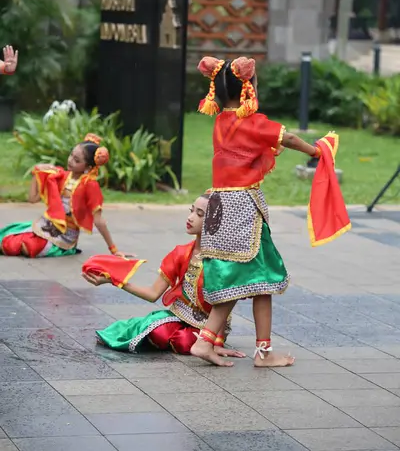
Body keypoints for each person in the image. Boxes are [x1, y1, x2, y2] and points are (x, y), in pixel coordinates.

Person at [191, 56, 323, 368]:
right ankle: (224, 344)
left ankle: (225, 343)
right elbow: (286, 137)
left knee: (250, 278)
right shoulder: (252, 123)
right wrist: (316, 151)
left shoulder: (221, 121)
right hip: (242, 211)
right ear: (249, 88)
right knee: (255, 276)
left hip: (218, 207)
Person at [82, 194, 244, 358]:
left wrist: (217, 342)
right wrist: (114, 281)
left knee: (184, 341)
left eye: (199, 214)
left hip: (211, 326)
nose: (190, 217)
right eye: (191, 211)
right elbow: (153, 294)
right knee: (158, 332)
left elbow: (225, 303)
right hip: (180, 315)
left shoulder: (223, 260)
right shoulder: (180, 253)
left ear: (216, 222)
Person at [0, 133, 124, 258]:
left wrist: (113, 250)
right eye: (71, 155)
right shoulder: (60, 176)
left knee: (27, 247)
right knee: (8, 236)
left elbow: (99, 221)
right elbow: (32, 199)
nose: (70, 160)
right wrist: (37, 171)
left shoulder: (90, 186)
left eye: (77, 160)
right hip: (47, 225)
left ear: (88, 167)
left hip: (65, 237)